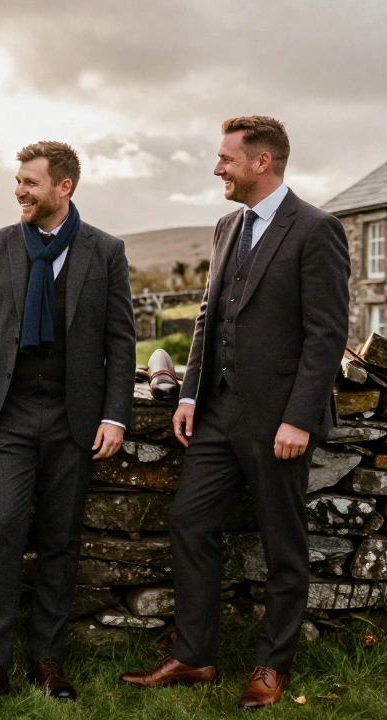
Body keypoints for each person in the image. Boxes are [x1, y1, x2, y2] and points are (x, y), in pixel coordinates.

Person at [119, 116, 350, 709]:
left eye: (226, 158)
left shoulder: (316, 228)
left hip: (278, 419)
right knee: (188, 521)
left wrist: (299, 418)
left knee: (282, 545)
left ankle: (272, 665)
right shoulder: (228, 226)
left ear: (261, 162)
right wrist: (190, 394)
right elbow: (209, 315)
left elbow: (327, 334)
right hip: (217, 413)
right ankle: (195, 656)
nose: (216, 167)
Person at [0, 141, 136, 707]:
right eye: (18, 181)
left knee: (61, 538)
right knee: (3, 528)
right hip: (6, 415)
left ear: (64, 187)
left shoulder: (105, 250)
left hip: (74, 417)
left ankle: (48, 658)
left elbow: (120, 339)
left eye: (30, 182)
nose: (19, 191)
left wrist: (115, 415)